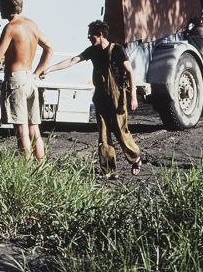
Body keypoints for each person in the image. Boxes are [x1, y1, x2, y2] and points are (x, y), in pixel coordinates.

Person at [43, 20, 142, 177]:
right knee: (103, 135)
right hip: (100, 97)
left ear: (100, 34)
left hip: (117, 97)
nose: (89, 38)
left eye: (91, 36)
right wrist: (50, 69)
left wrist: (133, 97)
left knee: (121, 133)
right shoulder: (93, 51)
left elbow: (130, 72)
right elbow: (72, 60)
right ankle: (109, 171)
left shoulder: (117, 50)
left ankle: (135, 157)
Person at [0, 0, 53, 161]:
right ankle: (41, 166)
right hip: (29, 78)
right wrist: (37, 72)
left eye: (0, 4)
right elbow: (49, 47)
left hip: (16, 79)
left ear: (7, 5)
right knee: (34, 126)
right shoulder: (31, 24)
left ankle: (25, 167)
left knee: (21, 128)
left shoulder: (10, 28)